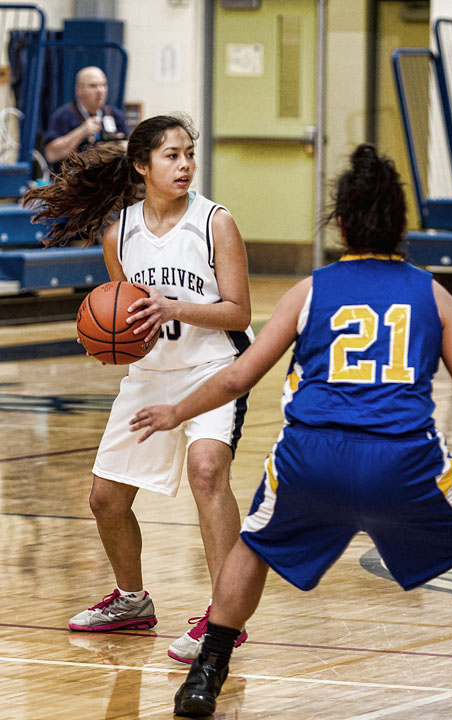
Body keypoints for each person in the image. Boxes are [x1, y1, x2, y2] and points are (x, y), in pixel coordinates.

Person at [129, 143, 452, 717]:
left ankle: (206, 674)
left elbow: (239, 374)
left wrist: (175, 412)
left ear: (340, 223)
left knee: (255, 544)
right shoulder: (432, 294)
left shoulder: (309, 290)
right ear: (402, 226)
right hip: (402, 460)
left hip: (311, 457)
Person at [24, 113, 252, 664]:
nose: (185, 165)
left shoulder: (215, 223)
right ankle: (132, 601)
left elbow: (240, 311)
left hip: (212, 371)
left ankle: (223, 619)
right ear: (141, 166)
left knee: (206, 472)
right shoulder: (118, 233)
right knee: (105, 498)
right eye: (172, 156)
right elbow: (123, 317)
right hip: (151, 376)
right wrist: (112, 340)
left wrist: (173, 306)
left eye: (189, 154)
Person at [43, 66, 130, 174]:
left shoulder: (114, 115)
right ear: (79, 90)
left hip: (108, 181)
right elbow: (51, 154)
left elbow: (130, 149)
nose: (100, 91)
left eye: (103, 85)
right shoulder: (64, 115)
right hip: (72, 182)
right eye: (93, 86)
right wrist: (82, 131)